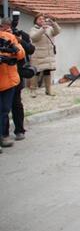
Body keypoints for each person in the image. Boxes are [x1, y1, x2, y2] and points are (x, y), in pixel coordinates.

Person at [2, 12, 35, 141]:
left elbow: (31, 50)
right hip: (3, 74)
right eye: (3, 27)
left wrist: (18, 40)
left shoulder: (21, 34)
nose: (6, 29)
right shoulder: (1, 37)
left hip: (17, 74)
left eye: (8, 27)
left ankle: (19, 130)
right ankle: (4, 133)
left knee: (16, 104)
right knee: (4, 107)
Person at [0, 17, 26, 151]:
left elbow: (22, 53)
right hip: (7, 80)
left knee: (5, 110)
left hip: (9, 81)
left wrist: (13, 48)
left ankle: (7, 135)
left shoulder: (9, 37)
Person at [29, 13, 60, 97]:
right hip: (38, 55)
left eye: (43, 19)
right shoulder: (33, 29)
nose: (42, 20)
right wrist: (42, 29)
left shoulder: (49, 28)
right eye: (40, 19)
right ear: (35, 21)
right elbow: (34, 38)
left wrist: (53, 23)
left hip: (48, 54)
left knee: (47, 72)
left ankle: (48, 90)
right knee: (36, 73)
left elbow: (58, 31)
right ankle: (33, 90)